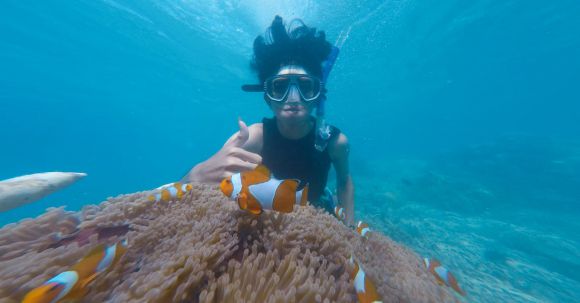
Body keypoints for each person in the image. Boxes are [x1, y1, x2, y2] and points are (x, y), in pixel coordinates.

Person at [181, 16, 354, 226]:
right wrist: (194, 175)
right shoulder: (253, 137)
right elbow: (212, 182)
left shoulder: (335, 142)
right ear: (267, 97)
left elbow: (344, 181)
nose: (293, 98)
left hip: (317, 206)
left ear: (317, 95)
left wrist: (350, 226)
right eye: (280, 87)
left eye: (305, 87)